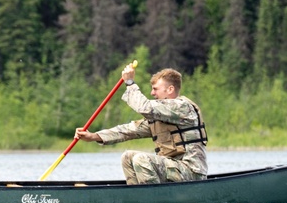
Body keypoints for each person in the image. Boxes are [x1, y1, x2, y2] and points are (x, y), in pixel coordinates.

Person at [75, 64, 207, 185]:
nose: (152, 93)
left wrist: (129, 83)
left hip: (192, 174)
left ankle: (153, 199)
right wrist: (94, 136)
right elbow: (128, 130)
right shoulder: (162, 117)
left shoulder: (182, 107)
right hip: (174, 170)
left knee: (141, 159)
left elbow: (144, 107)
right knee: (127, 156)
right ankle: (137, 197)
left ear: (170, 89)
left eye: (155, 89)